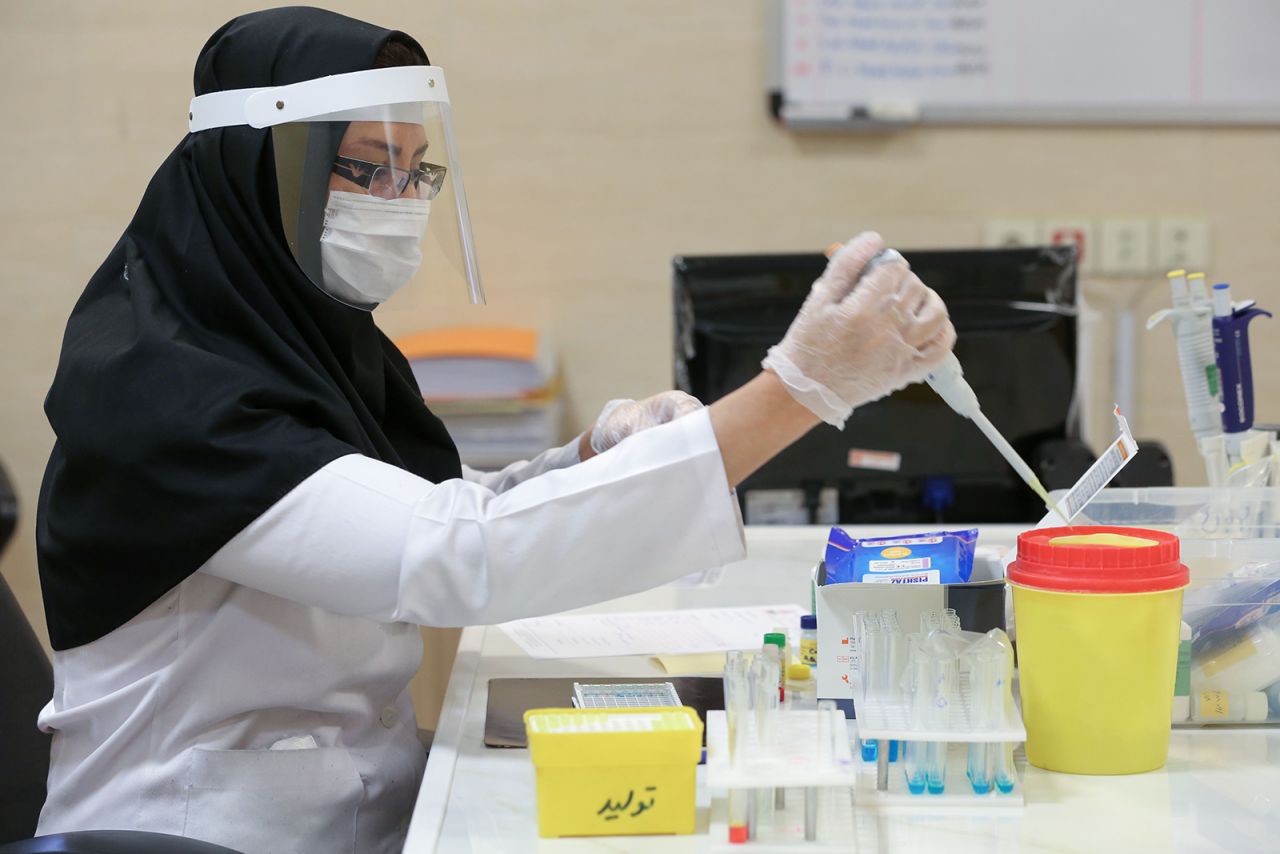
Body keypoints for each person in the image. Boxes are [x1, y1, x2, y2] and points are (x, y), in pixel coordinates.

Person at [33, 8, 954, 854]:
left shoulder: (295, 340)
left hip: (345, 801)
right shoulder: (166, 386)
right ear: (259, 172)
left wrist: (597, 452)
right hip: (193, 829)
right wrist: (796, 390)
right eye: (363, 168)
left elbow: (435, 506)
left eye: (415, 169)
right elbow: (456, 556)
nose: (397, 197)